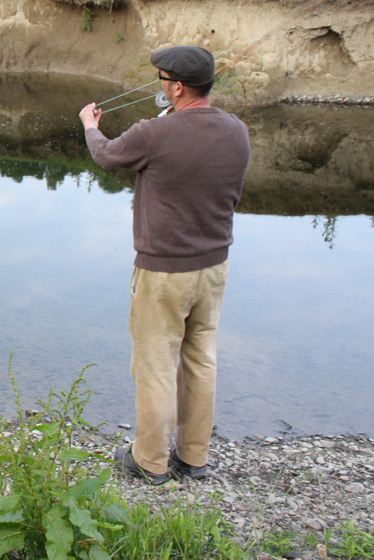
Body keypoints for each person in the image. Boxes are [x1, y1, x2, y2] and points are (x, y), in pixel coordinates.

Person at [78, 45, 250, 485]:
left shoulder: (153, 133)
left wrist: (90, 126)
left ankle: (150, 460)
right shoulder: (237, 131)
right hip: (214, 269)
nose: (159, 85)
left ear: (176, 87)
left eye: (162, 79)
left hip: (163, 273)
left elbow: (106, 155)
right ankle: (193, 458)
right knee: (200, 359)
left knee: (155, 363)